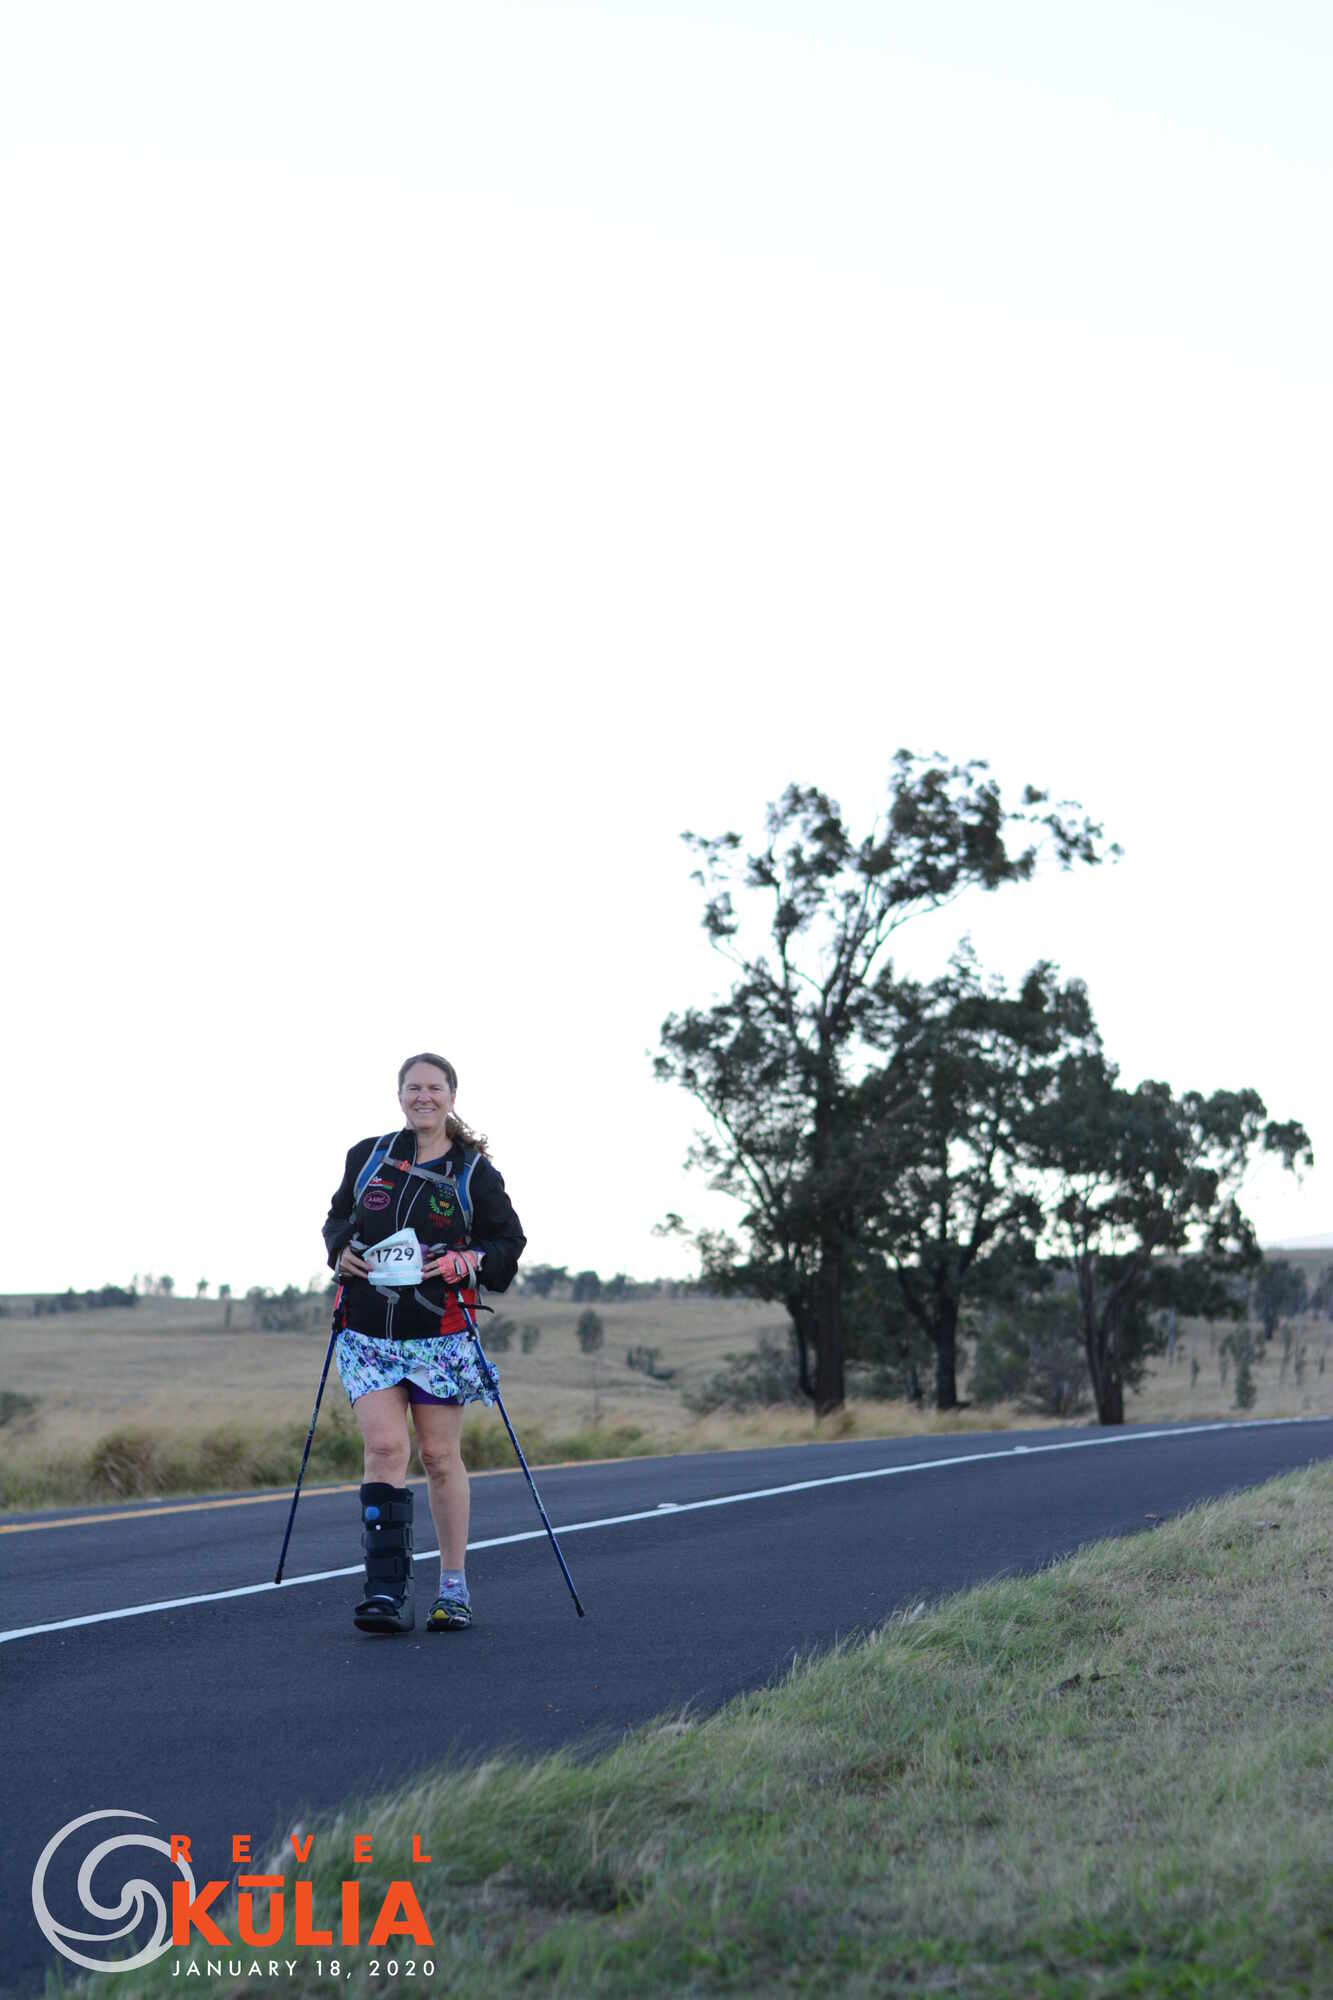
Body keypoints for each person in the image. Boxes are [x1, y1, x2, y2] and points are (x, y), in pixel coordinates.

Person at [322, 1052, 526, 1635]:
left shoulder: (474, 1172)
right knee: (386, 1449)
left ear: (452, 1097)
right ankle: (385, 1592)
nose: (423, 1097)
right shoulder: (368, 1157)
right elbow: (337, 1220)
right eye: (413, 1088)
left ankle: (453, 1589)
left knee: (437, 1456)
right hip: (369, 1331)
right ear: (400, 1096)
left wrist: (470, 1259)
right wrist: (341, 1250)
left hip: (439, 1335)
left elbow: (508, 1243)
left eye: (434, 1088)